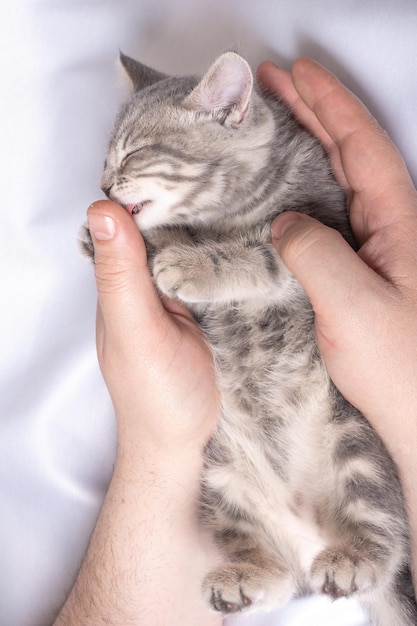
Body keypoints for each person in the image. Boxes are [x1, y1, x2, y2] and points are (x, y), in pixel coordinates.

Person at [53, 58, 417, 625]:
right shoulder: (190, 223)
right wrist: (141, 250)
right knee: (225, 471)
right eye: (111, 163)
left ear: (226, 113)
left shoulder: (295, 172)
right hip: (249, 436)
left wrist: (213, 268)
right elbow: (183, 268)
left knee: (342, 431)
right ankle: (261, 564)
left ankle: (369, 547)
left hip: (314, 420)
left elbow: (316, 259)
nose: (108, 181)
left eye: (131, 159)